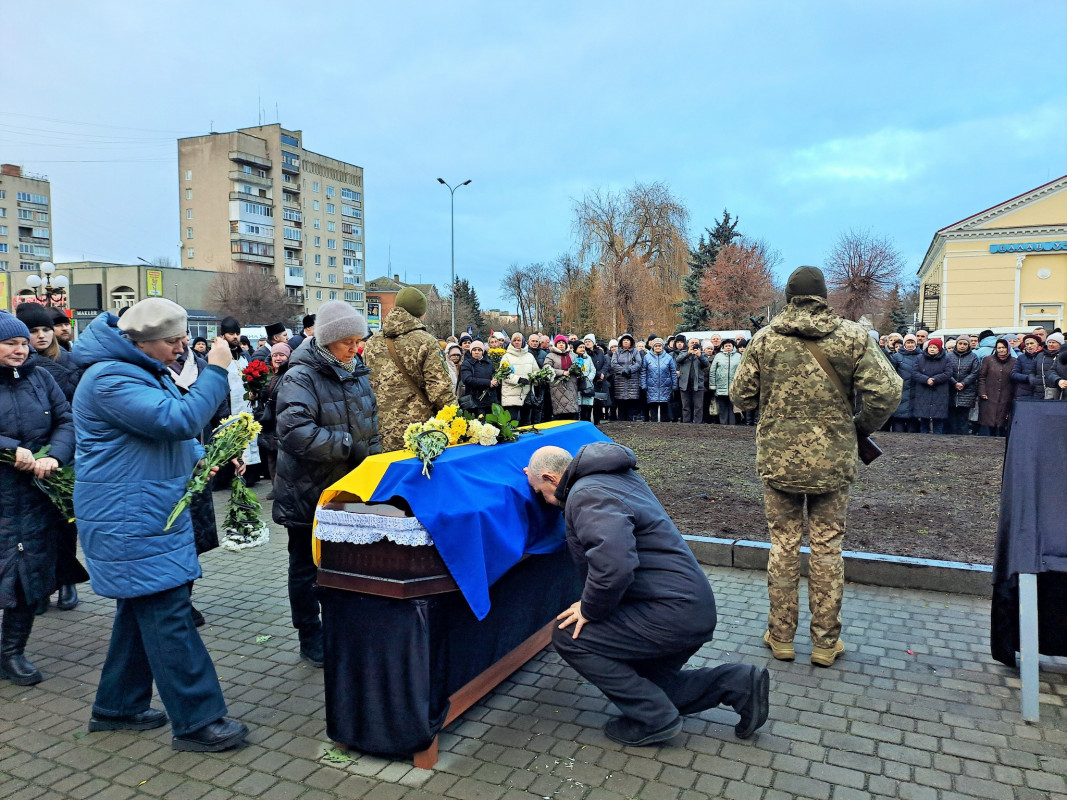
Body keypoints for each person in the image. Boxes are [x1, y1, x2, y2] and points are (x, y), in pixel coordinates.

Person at [71, 299, 248, 751]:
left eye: (182, 338)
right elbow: (179, 419)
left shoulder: (138, 370)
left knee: (140, 612)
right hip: (130, 518)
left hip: (142, 512)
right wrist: (216, 370)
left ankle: (117, 707)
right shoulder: (110, 377)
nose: (181, 348)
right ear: (139, 341)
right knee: (168, 616)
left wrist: (198, 460)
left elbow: (162, 437)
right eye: (173, 341)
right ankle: (198, 722)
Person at [524, 443, 770, 746]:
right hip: (688, 607)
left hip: (670, 613)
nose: (545, 501)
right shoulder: (612, 477)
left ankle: (655, 719)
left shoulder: (586, 494)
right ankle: (738, 683)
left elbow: (614, 566)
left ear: (550, 478)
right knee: (649, 684)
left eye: (540, 492)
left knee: (568, 635)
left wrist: (589, 609)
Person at [730, 266, 901, 667]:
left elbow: (741, 395)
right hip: (833, 461)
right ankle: (825, 643)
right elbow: (888, 391)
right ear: (825, 295)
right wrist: (857, 427)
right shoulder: (853, 336)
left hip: (779, 461)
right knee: (827, 549)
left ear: (788, 296)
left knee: (784, 546)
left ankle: (781, 636)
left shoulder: (766, 338)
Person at [274, 302, 381, 667]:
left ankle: (342, 627)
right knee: (306, 566)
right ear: (328, 340)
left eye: (358, 340)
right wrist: (351, 448)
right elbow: (294, 432)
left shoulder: (357, 371)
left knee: (344, 562)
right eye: (348, 342)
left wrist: (377, 465)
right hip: (308, 489)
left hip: (350, 487)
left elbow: (372, 425)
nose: (356, 348)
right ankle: (310, 635)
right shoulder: (300, 376)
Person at [0, 312, 75, 686]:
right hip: (2, 494)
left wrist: (55, 455)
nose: (19, 350)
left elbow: (66, 420)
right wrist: (8, 449)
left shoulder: (40, 376)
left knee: (28, 574)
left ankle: (12, 652)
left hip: (35, 495)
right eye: (9, 343)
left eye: (21, 343)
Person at [15, 304, 89, 613]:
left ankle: (66, 579)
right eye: (33, 331)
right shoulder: (18, 371)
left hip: (63, 453)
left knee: (63, 520)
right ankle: (40, 585)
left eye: (45, 329)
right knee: (33, 528)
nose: (41, 335)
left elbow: (74, 414)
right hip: (24, 458)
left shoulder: (70, 363)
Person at [362, 287, 455, 452]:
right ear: (421, 313)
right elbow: (439, 390)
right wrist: (456, 420)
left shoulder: (372, 342)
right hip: (418, 434)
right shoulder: (426, 342)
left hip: (380, 430)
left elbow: (365, 384)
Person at [912, 339, 953, 434]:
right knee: (924, 418)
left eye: (935, 347)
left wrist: (935, 379)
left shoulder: (946, 359)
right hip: (923, 391)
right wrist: (926, 379)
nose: (932, 349)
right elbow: (915, 372)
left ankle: (937, 438)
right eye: (930, 347)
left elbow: (948, 373)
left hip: (939, 391)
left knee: (938, 419)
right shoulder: (920, 358)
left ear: (939, 349)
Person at [977, 339, 1015, 436]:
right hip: (989, 394)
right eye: (999, 348)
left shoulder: (1014, 361)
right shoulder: (988, 360)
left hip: (1006, 394)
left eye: (1003, 347)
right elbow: (982, 377)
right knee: (989, 419)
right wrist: (982, 392)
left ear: (1008, 348)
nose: (1001, 350)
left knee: (1002, 420)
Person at [501, 332, 538, 426]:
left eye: (519, 340)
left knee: (526, 422)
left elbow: (536, 370)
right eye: (515, 340)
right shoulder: (506, 357)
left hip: (526, 394)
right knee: (512, 422)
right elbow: (504, 374)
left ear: (523, 342)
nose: (517, 342)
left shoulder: (529, 356)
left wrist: (535, 377)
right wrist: (518, 379)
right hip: (511, 395)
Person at [945, 335, 979, 435]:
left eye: (965, 344)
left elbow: (975, 372)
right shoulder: (949, 357)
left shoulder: (973, 357)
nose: (962, 346)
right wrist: (954, 383)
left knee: (963, 418)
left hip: (967, 391)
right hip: (952, 390)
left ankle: (963, 438)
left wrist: (963, 383)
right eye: (960, 343)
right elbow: (946, 371)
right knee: (952, 418)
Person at [889, 334, 921, 432]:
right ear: (904, 344)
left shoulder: (921, 356)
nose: (910, 345)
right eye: (908, 342)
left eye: (912, 342)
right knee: (898, 420)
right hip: (901, 389)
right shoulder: (896, 356)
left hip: (917, 389)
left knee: (914, 423)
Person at [641, 338, 676, 422]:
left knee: (665, 410)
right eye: (656, 346)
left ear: (662, 347)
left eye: (659, 346)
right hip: (651, 388)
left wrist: (674, 385)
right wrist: (643, 385)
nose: (658, 347)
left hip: (665, 388)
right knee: (653, 410)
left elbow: (673, 372)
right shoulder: (647, 357)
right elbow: (643, 372)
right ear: (653, 347)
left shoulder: (669, 358)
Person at [676, 336, 709, 423]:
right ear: (688, 344)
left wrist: (699, 356)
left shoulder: (703, 354)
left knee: (698, 406)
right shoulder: (683, 353)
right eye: (692, 343)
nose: (694, 345)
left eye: (696, 343)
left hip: (698, 384)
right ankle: (687, 423)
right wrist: (688, 353)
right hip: (684, 384)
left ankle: (698, 424)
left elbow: (706, 364)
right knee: (685, 406)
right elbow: (678, 360)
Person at [460, 340, 498, 416]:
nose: (477, 352)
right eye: (474, 350)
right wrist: (488, 383)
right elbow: (467, 379)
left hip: (490, 401)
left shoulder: (489, 363)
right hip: (475, 401)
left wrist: (496, 382)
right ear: (471, 351)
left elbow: (494, 375)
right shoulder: (467, 363)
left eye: (479, 350)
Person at [610, 334, 642, 422]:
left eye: (628, 340)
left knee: (630, 405)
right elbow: (613, 364)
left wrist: (630, 370)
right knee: (621, 404)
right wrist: (623, 371)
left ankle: (630, 423)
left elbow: (638, 363)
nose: (626, 342)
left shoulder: (635, 351)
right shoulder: (617, 352)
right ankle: (620, 423)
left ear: (631, 342)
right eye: (624, 340)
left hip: (632, 380)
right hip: (620, 380)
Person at [710, 339, 742, 426]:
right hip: (721, 386)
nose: (728, 347)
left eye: (729, 346)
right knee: (722, 407)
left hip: (733, 387)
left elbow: (742, 371)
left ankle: (732, 424)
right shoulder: (718, 356)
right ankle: (723, 424)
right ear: (723, 347)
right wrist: (712, 385)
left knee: (732, 407)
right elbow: (712, 371)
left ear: (733, 347)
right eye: (726, 346)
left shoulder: (738, 356)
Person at [574, 341, 597, 423]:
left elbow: (593, 370)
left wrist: (587, 379)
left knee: (587, 410)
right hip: (576, 387)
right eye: (580, 347)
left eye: (583, 347)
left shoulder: (588, 358)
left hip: (587, 386)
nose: (582, 349)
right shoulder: (573, 358)